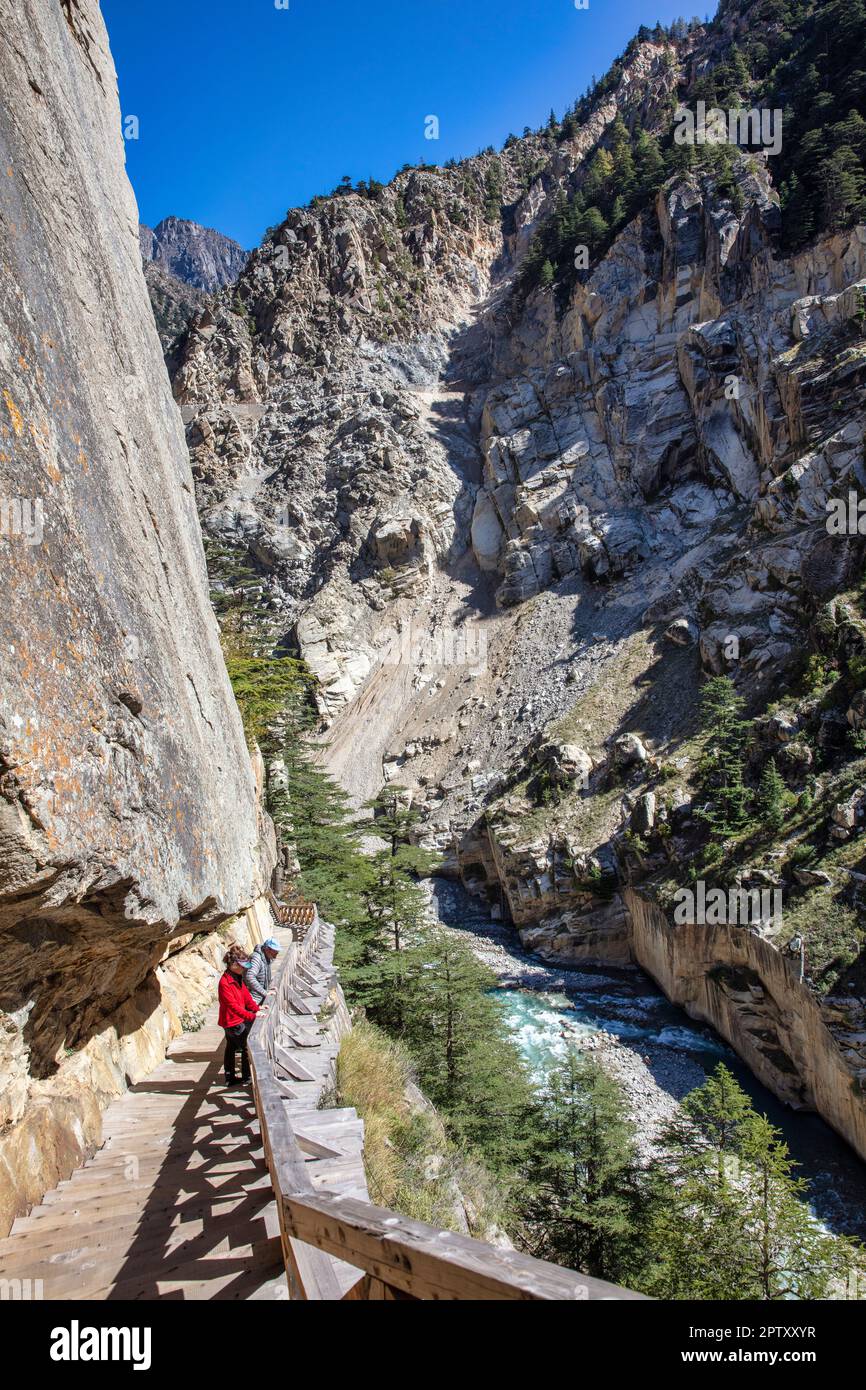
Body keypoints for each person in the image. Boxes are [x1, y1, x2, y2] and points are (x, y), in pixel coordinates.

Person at [218, 944, 258, 1087]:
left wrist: (256, 1009)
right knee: (247, 1047)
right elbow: (232, 1006)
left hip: (233, 1020)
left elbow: (245, 996)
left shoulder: (236, 977)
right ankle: (247, 1078)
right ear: (233, 964)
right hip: (232, 1021)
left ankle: (230, 1077)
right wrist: (252, 1016)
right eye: (242, 965)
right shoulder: (225, 982)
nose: (244, 968)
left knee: (231, 1047)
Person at [245, 937, 281, 1005]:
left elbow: (262, 977)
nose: (275, 957)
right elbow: (249, 976)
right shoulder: (256, 958)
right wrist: (265, 992)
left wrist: (268, 987)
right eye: (274, 954)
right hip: (254, 1000)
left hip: (259, 999)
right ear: (267, 949)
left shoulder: (266, 957)